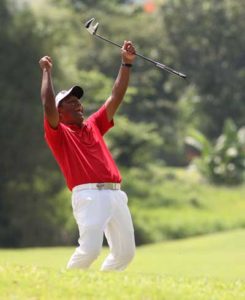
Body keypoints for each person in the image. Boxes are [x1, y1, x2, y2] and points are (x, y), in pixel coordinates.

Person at [39, 41, 136, 271]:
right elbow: (46, 104)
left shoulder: (93, 125)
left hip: (116, 194)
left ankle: (99, 291)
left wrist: (126, 64)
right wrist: (46, 72)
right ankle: (65, 289)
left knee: (125, 254)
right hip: (89, 195)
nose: (78, 104)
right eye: (71, 102)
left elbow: (115, 97)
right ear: (60, 112)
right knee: (90, 250)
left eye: (78, 100)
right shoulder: (58, 133)